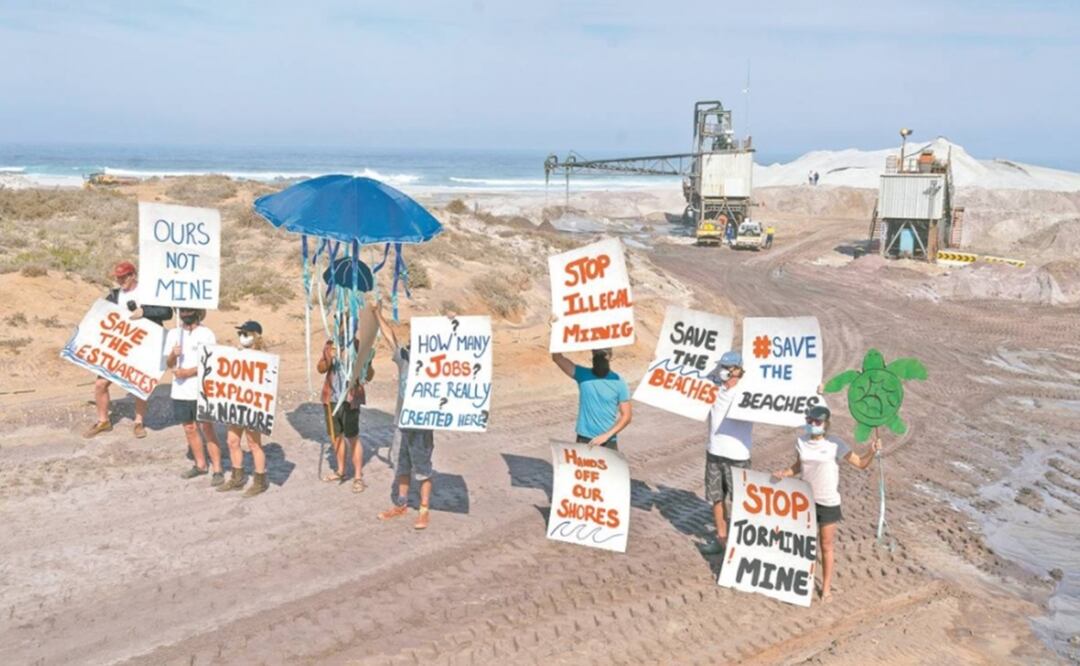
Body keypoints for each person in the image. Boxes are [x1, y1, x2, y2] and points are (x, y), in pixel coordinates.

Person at [772, 405, 880, 602]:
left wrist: (871, 451)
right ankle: (799, 581)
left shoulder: (835, 443)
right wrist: (784, 473)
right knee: (802, 544)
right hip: (804, 501)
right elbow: (798, 466)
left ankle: (826, 588)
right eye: (810, 420)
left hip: (828, 502)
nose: (813, 424)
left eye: (817, 421)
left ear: (826, 424)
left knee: (826, 544)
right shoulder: (801, 442)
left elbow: (860, 463)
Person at [83, 260, 173, 439]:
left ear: (133, 275)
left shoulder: (148, 292)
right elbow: (102, 315)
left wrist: (145, 312)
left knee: (138, 385)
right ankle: (103, 421)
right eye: (118, 277)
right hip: (119, 348)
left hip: (144, 346)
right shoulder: (114, 295)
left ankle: (139, 422)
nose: (120, 280)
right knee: (101, 384)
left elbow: (167, 312)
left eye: (124, 277)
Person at [373, 301, 436, 530]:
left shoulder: (434, 362)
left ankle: (424, 509)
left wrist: (451, 320)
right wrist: (377, 314)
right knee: (401, 465)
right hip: (401, 422)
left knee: (423, 468)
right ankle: (401, 504)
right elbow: (389, 336)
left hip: (422, 423)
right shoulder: (404, 358)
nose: (411, 340)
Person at [700, 350, 753, 555]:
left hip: (738, 456)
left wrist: (816, 391)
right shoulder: (713, 388)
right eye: (722, 366)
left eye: (727, 367)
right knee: (716, 498)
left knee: (740, 502)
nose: (723, 371)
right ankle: (721, 539)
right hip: (714, 452)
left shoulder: (749, 392)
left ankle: (739, 546)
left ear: (738, 370)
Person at [166, 308, 224, 485]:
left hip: (201, 389)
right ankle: (200, 465)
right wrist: (173, 354)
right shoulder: (174, 333)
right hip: (180, 390)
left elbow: (211, 363)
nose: (185, 314)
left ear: (197, 312)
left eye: (189, 310)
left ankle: (218, 469)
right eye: (182, 311)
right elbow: (168, 363)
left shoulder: (206, 334)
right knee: (189, 428)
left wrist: (188, 372)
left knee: (207, 427)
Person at [317, 317, 372, 493]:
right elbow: (320, 368)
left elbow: (369, 376)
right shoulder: (330, 346)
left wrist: (366, 364)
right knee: (336, 436)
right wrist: (329, 359)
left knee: (352, 437)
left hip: (350, 399)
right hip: (331, 399)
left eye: (349, 325)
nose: (344, 329)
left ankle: (358, 477)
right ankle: (340, 471)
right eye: (341, 325)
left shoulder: (359, 346)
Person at [217, 321, 271, 497]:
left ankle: (260, 481)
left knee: (254, 443)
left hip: (252, 405)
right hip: (236, 403)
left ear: (256, 336)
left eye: (245, 334)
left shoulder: (263, 357)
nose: (242, 337)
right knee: (232, 441)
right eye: (240, 334)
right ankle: (237, 477)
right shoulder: (238, 354)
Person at [551, 348, 632, 449]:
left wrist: (606, 436)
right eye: (597, 353)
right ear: (592, 353)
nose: (601, 357)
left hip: (608, 440)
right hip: (584, 438)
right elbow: (557, 358)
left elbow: (626, 416)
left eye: (604, 354)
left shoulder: (619, 382)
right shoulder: (582, 374)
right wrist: (557, 340)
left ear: (610, 356)